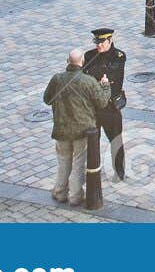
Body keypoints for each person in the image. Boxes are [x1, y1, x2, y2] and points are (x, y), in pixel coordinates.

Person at [43, 49, 110, 207]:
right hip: (82, 129)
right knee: (79, 163)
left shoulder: (57, 79)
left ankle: (60, 192)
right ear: (82, 62)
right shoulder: (88, 81)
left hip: (61, 128)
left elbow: (47, 99)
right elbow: (102, 102)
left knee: (63, 162)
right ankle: (75, 196)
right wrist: (105, 86)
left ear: (68, 61)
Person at [82, 27, 128, 180]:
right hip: (93, 107)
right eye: (97, 42)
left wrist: (96, 75)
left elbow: (113, 75)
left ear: (110, 40)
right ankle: (93, 169)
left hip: (110, 106)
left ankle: (119, 170)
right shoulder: (90, 55)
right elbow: (85, 77)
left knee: (116, 140)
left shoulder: (118, 56)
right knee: (92, 141)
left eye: (102, 42)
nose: (99, 45)